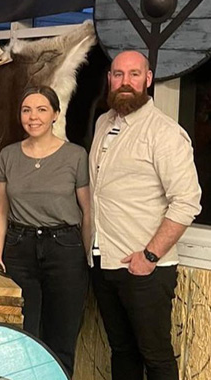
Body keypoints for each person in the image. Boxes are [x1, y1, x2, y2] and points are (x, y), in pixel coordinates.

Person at [89, 50, 201, 380]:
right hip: (105, 261)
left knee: (155, 356)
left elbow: (187, 202)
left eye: (134, 75)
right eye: (118, 74)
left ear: (148, 80)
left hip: (145, 269)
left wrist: (150, 255)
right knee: (122, 351)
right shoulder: (103, 123)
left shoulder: (164, 133)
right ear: (109, 79)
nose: (125, 82)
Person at [0, 86, 90, 375]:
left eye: (41, 109)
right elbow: (1, 208)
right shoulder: (8, 156)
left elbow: (87, 210)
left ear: (56, 114)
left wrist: (85, 257)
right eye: (26, 110)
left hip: (64, 248)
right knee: (22, 333)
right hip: (19, 247)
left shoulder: (75, 155)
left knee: (61, 336)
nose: (33, 117)